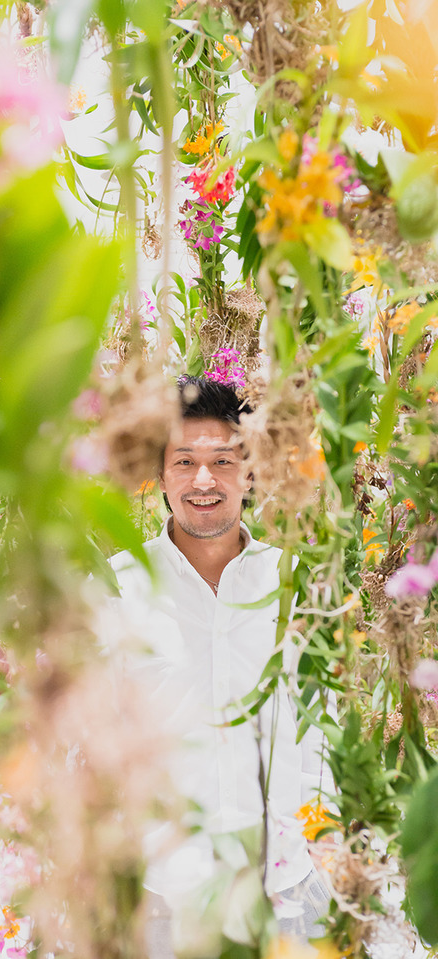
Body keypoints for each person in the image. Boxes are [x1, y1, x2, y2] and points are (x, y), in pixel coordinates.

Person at [105, 375, 334, 956]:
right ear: (159, 475)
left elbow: (323, 725)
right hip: (161, 899)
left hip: (284, 894)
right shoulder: (118, 588)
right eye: (184, 461)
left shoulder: (293, 584)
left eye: (223, 460)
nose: (203, 480)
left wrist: (319, 842)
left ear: (250, 471)